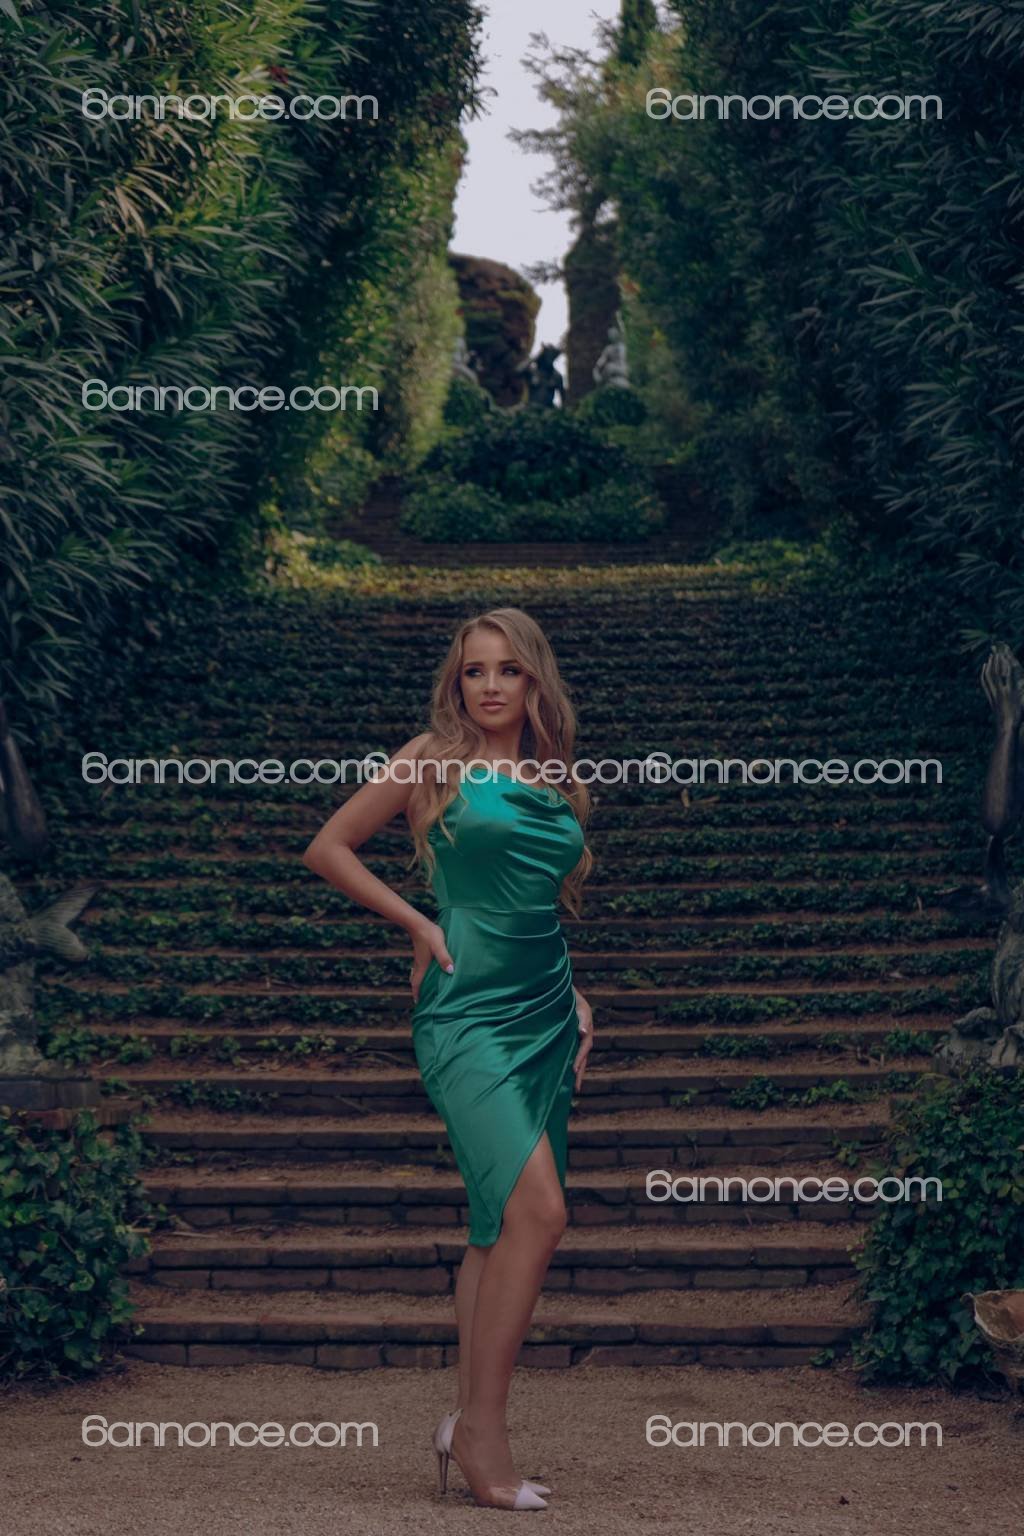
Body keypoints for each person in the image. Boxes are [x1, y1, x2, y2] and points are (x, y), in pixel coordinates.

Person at [302, 606, 594, 1511]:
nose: (491, 685)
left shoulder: (555, 776)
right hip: (465, 1009)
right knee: (540, 1212)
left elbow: (534, 900)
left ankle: (465, 1421)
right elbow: (328, 847)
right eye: (475, 670)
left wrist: (577, 998)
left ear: (535, 679)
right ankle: (481, 1434)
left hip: (546, 1009)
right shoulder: (433, 757)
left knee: (494, 1225)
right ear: (456, 682)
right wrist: (420, 924)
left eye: (508, 669)